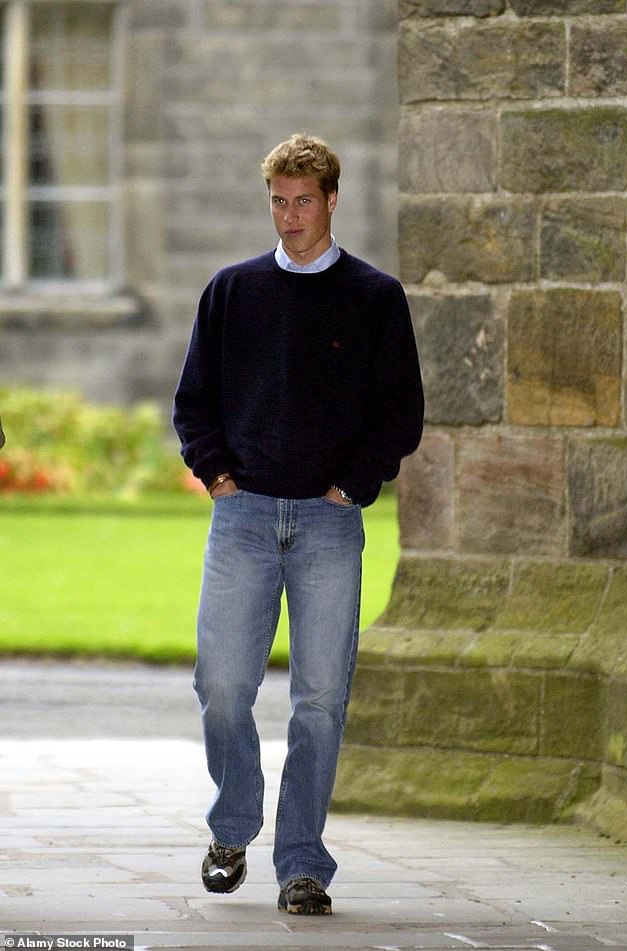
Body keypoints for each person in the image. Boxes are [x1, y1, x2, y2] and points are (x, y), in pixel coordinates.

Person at [173, 133, 424, 916]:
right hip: (242, 515)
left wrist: (353, 484)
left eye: (302, 202)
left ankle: (303, 864)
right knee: (221, 685)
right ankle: (232, 824)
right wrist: (216, 470)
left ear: (332, 200)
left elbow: (401, 413)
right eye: (277, 202)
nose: (288, 217)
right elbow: (193, 400)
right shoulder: (231, 291)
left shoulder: (375, 297)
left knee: (320, 698)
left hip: (326, 522)